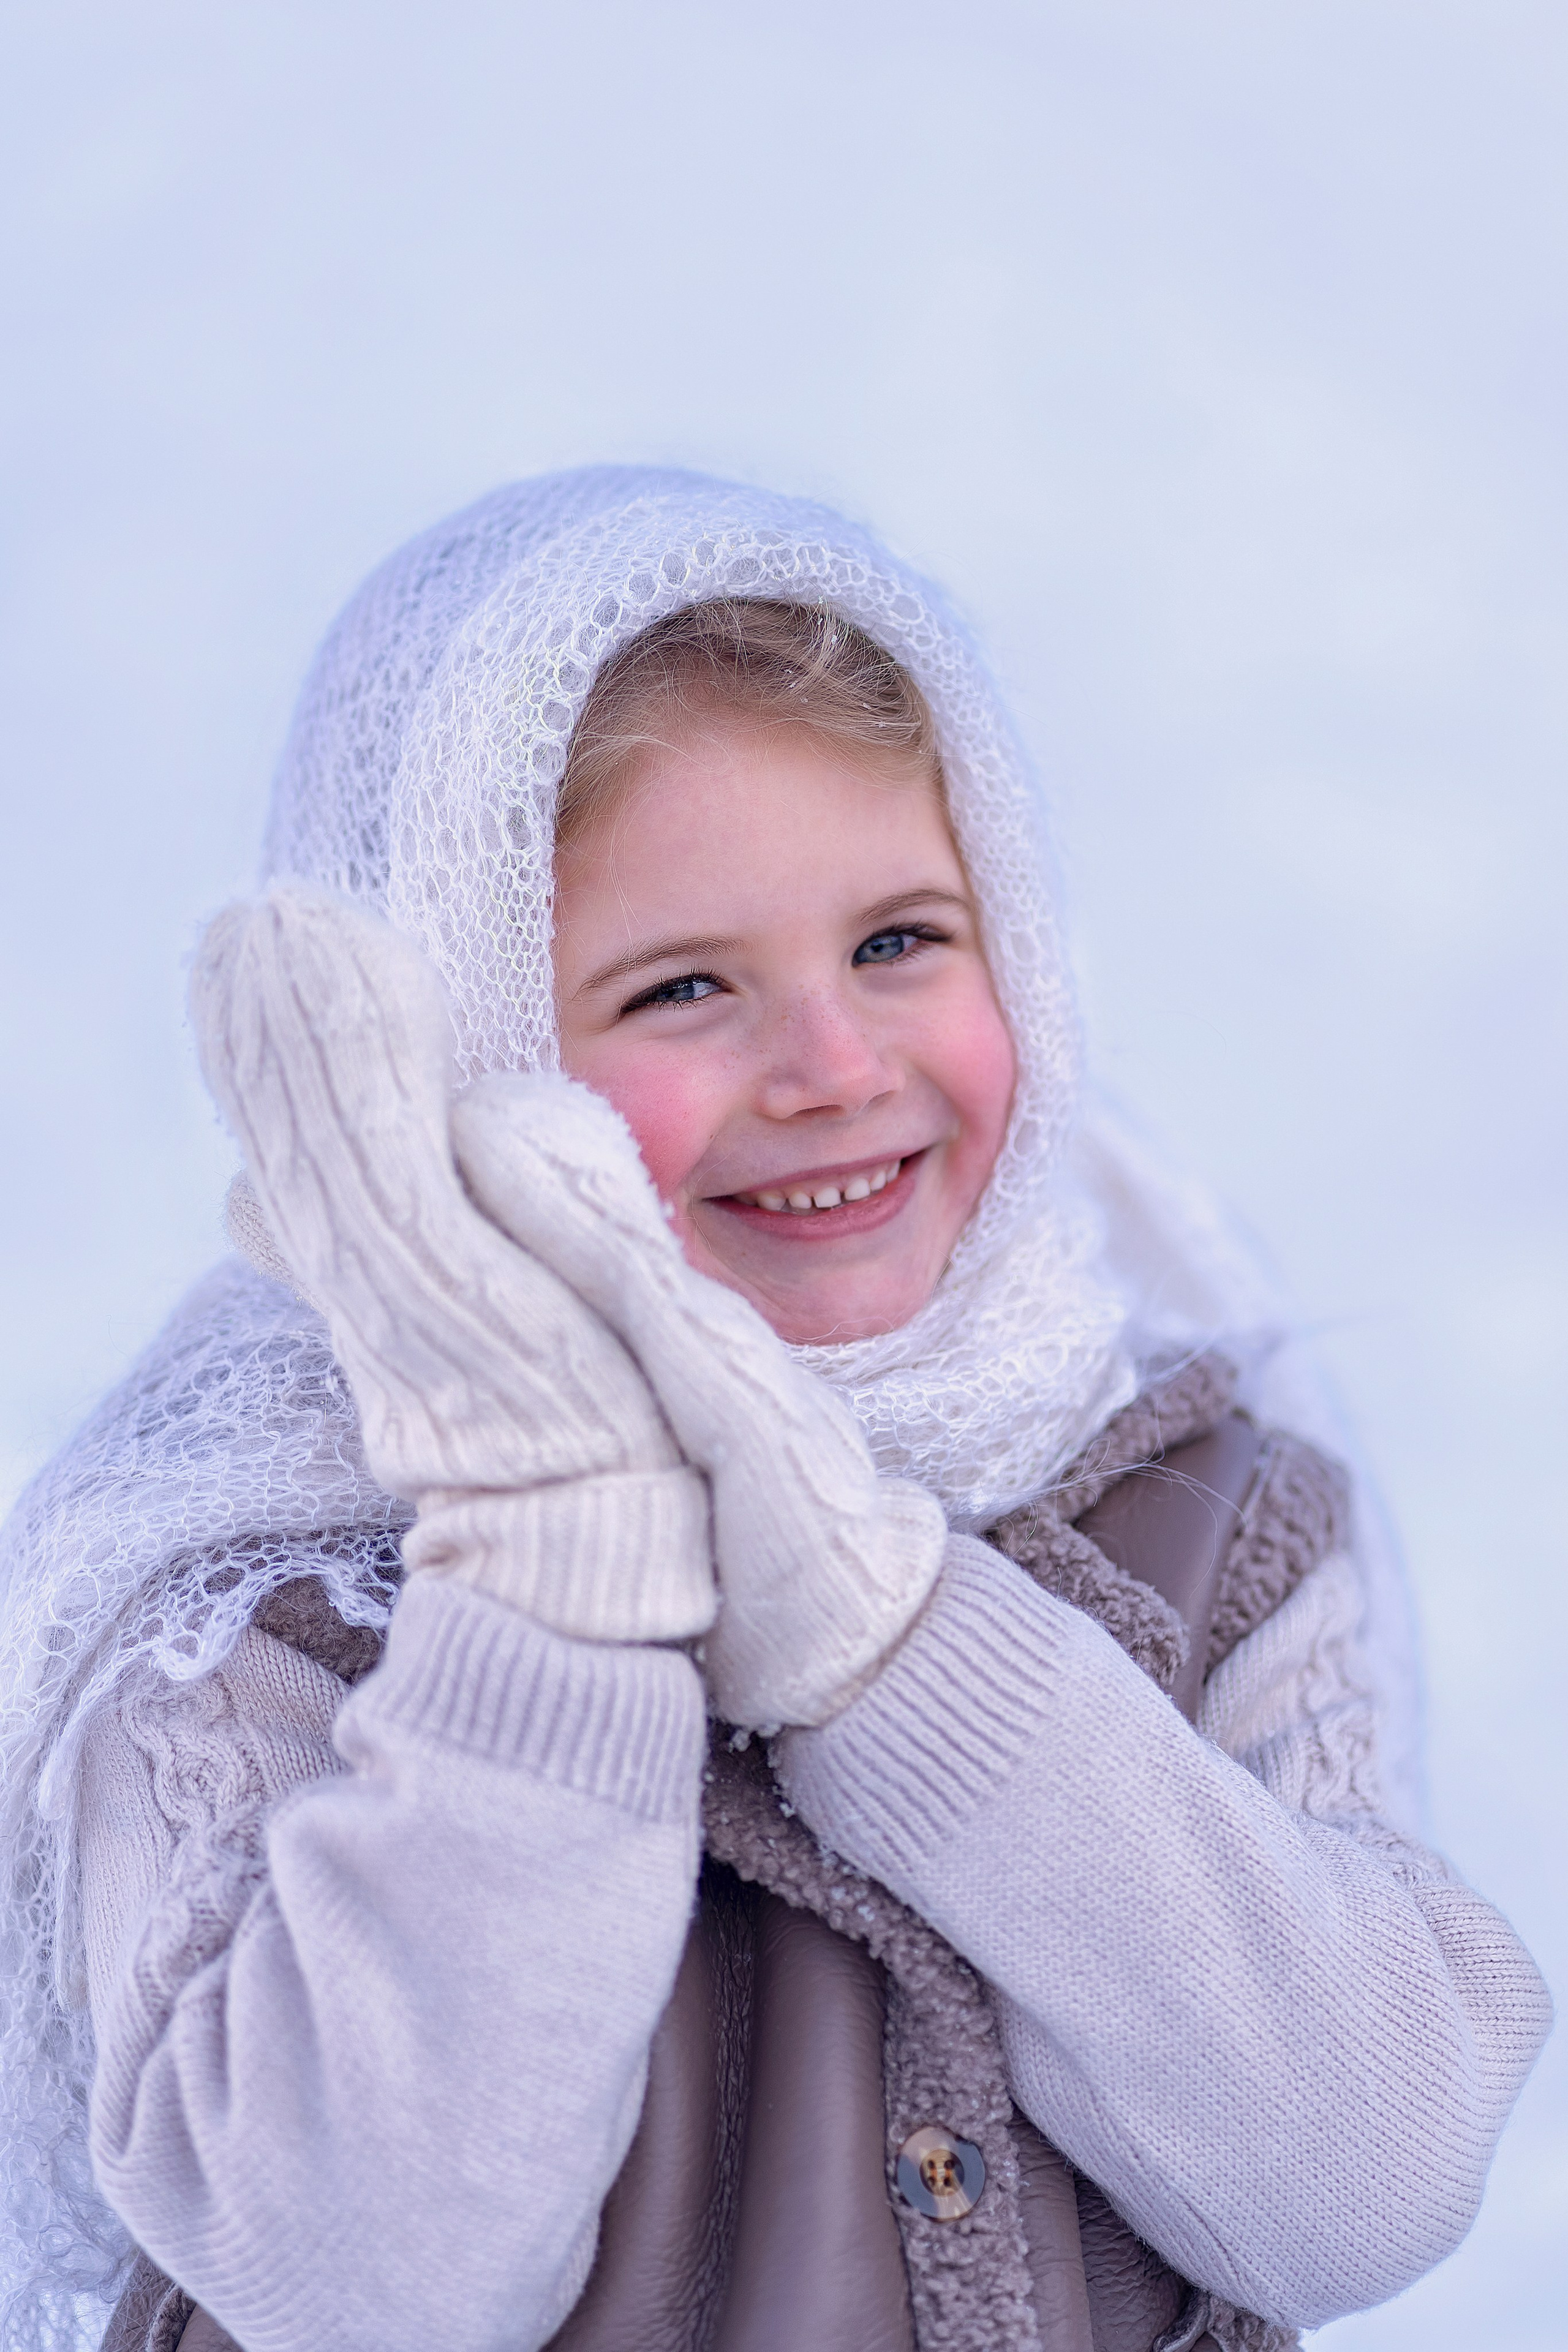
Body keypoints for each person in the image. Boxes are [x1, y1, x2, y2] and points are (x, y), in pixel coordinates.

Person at [0, 471, 1548, 2352]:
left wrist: (900, 1652)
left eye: (899, 940)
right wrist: (549, 1575)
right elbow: (356, 2284)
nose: (831, 1067)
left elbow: (1357, 2184)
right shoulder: (250, 1612)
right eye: (682, 986)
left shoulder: (1205, 1508)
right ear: (446, 1038)